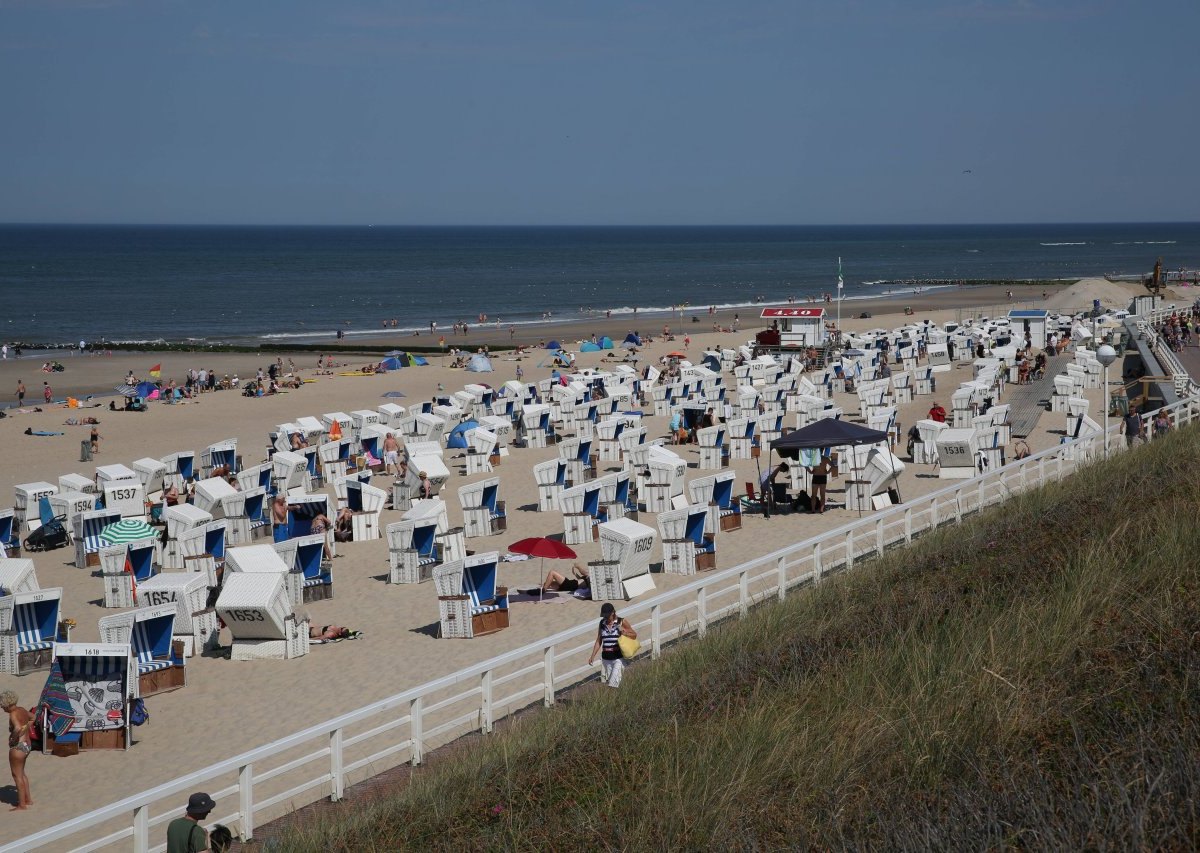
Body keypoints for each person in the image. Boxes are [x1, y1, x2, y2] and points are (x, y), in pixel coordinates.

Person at [587, 602, 637, 688]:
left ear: (613, 612)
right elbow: (599, 640)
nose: (605, 618)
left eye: (607, 616)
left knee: (612, 685)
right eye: (604, 616)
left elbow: (634, 635)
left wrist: (625, 634)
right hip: (606, 658)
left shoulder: (621, 621)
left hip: (618, 658)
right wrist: (592, 656)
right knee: (613, 683)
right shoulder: (602, 623)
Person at [3, 690, 33, 810]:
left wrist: (13, 738)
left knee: (17, 775)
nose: (1, 706)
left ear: (7, 703)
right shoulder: (22, 709)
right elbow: (33, 718)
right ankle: (28, 799)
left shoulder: (13, 714)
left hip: (18, 747)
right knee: (22, 773)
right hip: (27, 745)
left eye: (1, 703)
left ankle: (22, 805)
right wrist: (26, 728)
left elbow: (17, 728)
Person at [522, 563, 591, 597]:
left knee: (552, 573)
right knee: (548, 583)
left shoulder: (590, 576)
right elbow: (581, 580)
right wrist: (575, 573)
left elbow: (584, 572)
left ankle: (543, 591)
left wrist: (578, 566)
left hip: (570, 584)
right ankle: (529, 591)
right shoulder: (588, 581)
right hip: (571, 586)